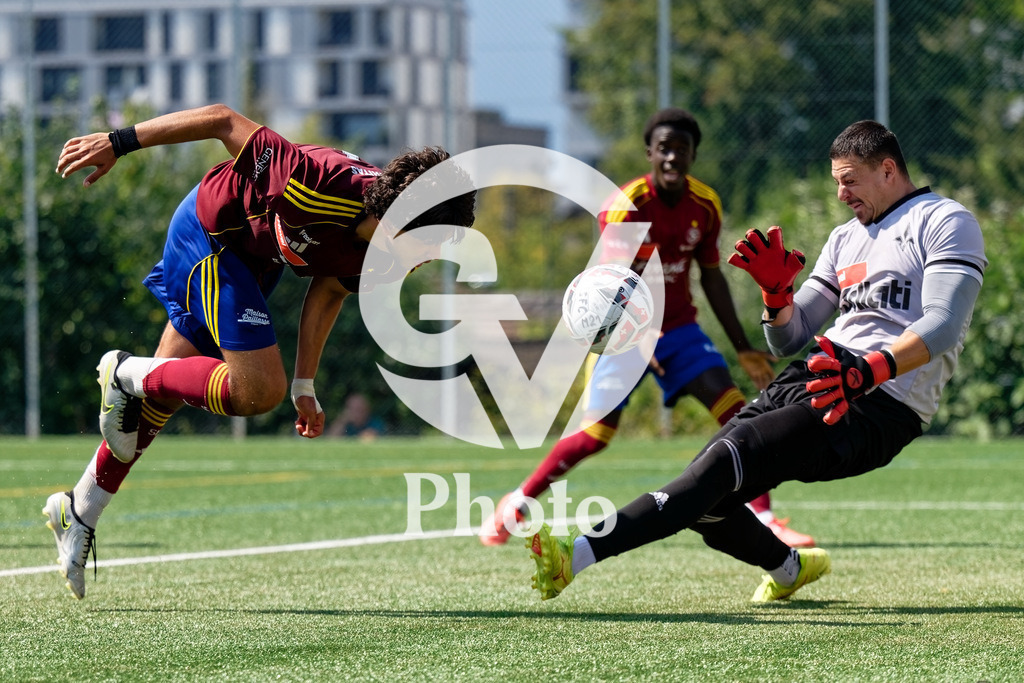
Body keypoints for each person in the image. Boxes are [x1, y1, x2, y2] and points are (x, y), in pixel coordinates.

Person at [525, 119, 986, 603]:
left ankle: (575, 554)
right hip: (820, 374)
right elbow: (788, 338)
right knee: (706, 496)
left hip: (879, 401)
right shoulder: (844, 239)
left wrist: (866, 372)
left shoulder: (945, 221)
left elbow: (944, 323)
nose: (841, 194)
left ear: (888, 169)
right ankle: (789, 568)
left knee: (720, 465)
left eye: (849, 180)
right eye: (836, 183)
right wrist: (774, 295)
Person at [43, 104, 476, 599]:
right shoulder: (314, 180)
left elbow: (330, 289)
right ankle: (123, 372)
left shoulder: (381, 250)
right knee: (255, 391)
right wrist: (118, 142)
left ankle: (78, 510)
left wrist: (305, 384)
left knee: (161, 395)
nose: (427, 260)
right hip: (209, 234)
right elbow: (223, 120)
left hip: (251, 261)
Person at [480, 108, 814, 548]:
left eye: (682, 149)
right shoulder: (626, 206)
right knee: (593, 438)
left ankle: (766, 517)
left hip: (680, 330)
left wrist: (742, 345)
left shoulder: (705, 205)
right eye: (664, 149)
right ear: (650, 154)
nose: (673, 157)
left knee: (739, 414)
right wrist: (636, 337)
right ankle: (517, 502)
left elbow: (711, 275)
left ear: (694, 155)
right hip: (624, 337)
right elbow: (612, 282)